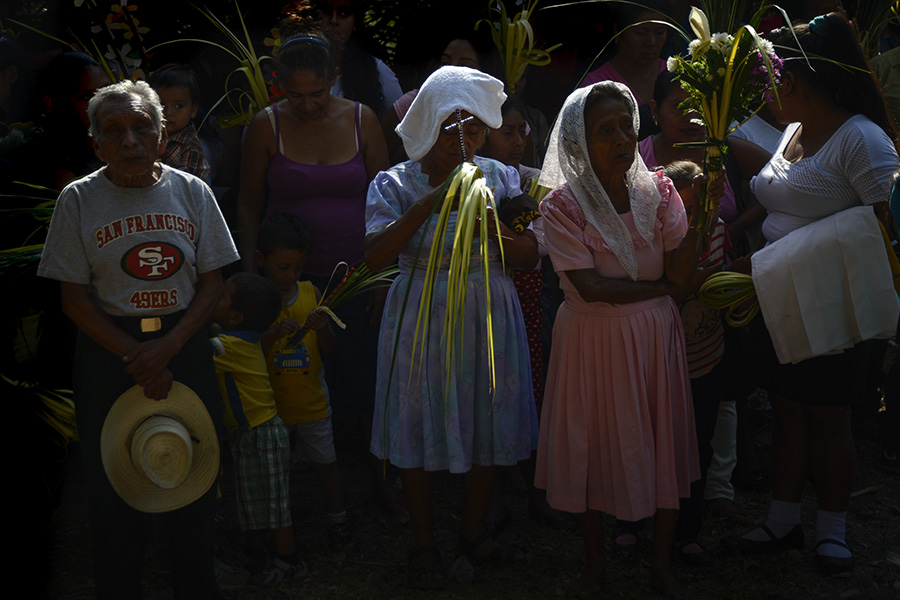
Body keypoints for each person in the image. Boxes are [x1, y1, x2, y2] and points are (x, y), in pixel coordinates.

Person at [36, 79, 238, 599]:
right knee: (113, 484)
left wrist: (167, 348)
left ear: (162, 133)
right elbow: (73, 300)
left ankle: (197, 587)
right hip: (109, 352)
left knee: (193, 470)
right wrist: (137, 354)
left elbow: (213, 284)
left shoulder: (191, 191)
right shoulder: (78, 200)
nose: (130, 140)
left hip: (184, 343)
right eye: (114, 131)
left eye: (141, 126)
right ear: (96, 144)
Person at [722, 13, 900, 576]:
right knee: (787, 408)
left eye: (772, 79)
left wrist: (779, 260)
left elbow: (886, 232)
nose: (767, 93)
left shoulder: (863, 141)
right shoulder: (796, 131)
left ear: (797, 80)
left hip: (830, 301)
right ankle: (781, 519)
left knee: (828, 416)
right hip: (779, 297)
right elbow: (780, 199)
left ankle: (833, 530)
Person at [364, 65, 539, 587]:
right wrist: (428, 205)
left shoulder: (505, 178)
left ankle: (473, 531)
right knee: (414, 416)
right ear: (427, 123)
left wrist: (493, 229)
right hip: (420, 308)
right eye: (448, 127)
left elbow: (531, 256)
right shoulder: (393, 182)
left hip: (487, 307)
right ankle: (423, 540)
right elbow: (374, 258)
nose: (461, 142)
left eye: (473, 130)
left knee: (486, 412)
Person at [534, 81, 704, 598]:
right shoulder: (563, 207)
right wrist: (661, 289)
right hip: (591, 337)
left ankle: (658, 566)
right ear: (578, 143)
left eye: (625, 128)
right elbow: (589, 285)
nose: (620, 140)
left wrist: (702, 213)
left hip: (652, 338)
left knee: (660, 440)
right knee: (591, 443)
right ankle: (594, 563)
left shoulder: (662, 193)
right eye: (603, 131)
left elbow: (681, 264)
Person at [235, 11, 396, 512]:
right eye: (294, 95)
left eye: (316, 93)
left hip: (356, 272)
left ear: (333, 80)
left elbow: (387, 200)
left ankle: (380, 474)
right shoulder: (265, 127)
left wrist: (380, 277)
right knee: (294, 372)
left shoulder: (362, 119)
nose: (305, 105)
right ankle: (298, 477)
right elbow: (247, 204)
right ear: (278, 85)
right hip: (290, 279)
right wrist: (249, 275)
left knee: (367, 375)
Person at [255, 212, 349, 550]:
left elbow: (331, 348)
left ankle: (338, 520)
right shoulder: (253, 300)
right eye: (283, 268)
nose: (291, 276)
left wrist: (322, 329)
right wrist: (272, 333)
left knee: (326, 464)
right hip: (268, 409)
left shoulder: (312, 293)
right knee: (273, 475)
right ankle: (277, 530)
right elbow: (245, 348)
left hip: (311, 403)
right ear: (260, 261)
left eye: (297, 269)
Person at [210, 272, 307, 586]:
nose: (215, 297)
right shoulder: (239, 337)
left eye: (222, 295)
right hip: (248, 433)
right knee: (252, 499)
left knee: (273, 503)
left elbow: (196, 352)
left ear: (236, 316)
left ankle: (289, 560)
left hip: (260, 434)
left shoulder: (226, 347)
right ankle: (255, 554)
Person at [579, 0, 670, 140]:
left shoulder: (676, 76)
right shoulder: (594, 86)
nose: (651, 42)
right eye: (641, 32)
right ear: (618, 31)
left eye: (660, 32)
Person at [310, 0, 404, 119]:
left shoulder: (377, 71)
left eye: (344, 12)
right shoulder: (296, 66)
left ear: (355, 21)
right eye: (325, 11)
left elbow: (400, 127)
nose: (334, 20)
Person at [149, 63, 211, 181]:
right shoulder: (146, 134)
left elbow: (189, 187)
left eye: (179, 106)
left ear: (193, 110)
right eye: (161, 105)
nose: (168, 112)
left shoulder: (190, 148)